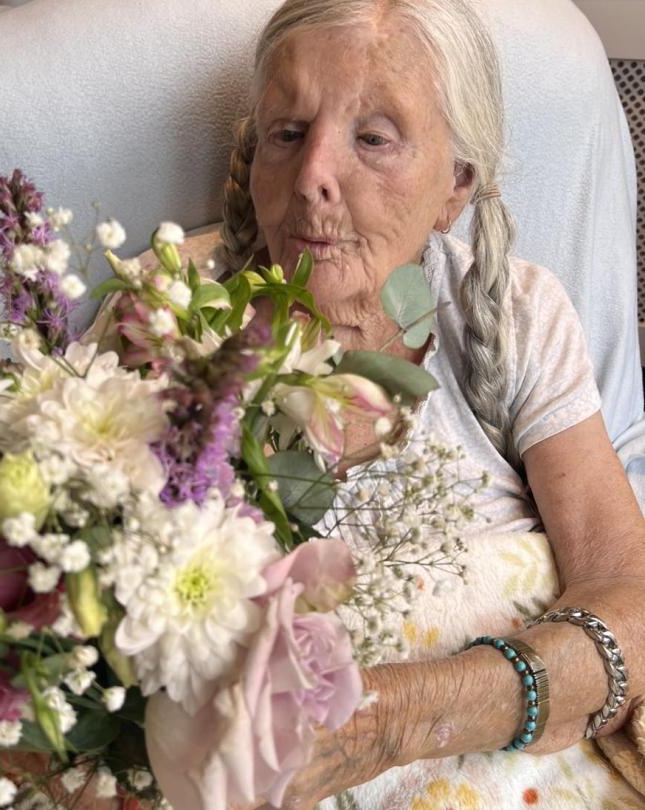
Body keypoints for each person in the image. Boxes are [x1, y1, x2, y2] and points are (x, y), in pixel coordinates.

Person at [215, 0, 645, 806]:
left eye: (372, 139)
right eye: (287, 133)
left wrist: (393, 721)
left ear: (455, 186)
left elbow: (629, 598)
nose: (312, 177)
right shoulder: (168, 322)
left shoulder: (511, 316)